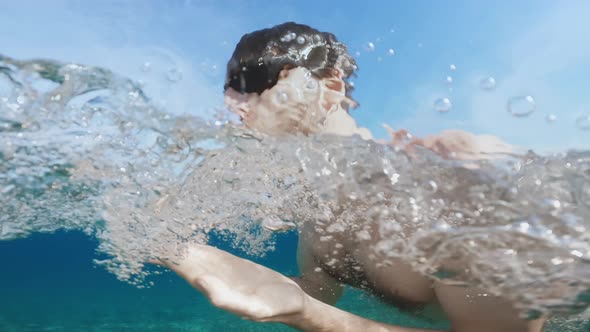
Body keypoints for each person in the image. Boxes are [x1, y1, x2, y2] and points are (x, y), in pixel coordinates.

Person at [154, 22, 546, 332]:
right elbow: (317, 288)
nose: (236, 111)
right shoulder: (315, 212)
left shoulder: (454, 180)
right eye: (231, 95)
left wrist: (304, 314)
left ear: (329, 87)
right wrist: (195, 256)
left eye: (254, 84)